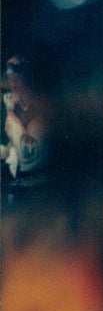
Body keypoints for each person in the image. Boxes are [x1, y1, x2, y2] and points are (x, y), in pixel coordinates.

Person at [1, 54, 51, 205]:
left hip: (44, 184)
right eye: (10, 77)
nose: (13, 82)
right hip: (20, 181)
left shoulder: (44, 105)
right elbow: (11, 148)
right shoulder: (8, 105)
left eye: (18, 75)